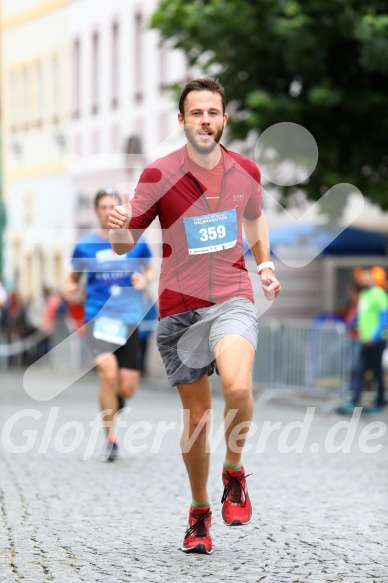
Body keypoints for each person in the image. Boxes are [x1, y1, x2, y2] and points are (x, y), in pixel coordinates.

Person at [108, 77, 281, 554]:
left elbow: (254, 214)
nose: (206, 120)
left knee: (240, 387)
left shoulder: (245, 170)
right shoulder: (158, 175)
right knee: (198, 418)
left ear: (224, 119)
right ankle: (200, 510)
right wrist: (118, 227)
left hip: (232, 297)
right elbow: (125, 247)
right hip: (180, 310)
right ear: (181, 120)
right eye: (196, 113)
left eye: (213, 112)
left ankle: (234, 471)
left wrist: (263, 264)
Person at [63, 188, 155, 461]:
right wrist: (69, 290)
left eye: (111, 207)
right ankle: (111, 440)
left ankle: (117, 402)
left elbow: (149, 268)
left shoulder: (136, 241)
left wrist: (145, 279)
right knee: (108, 373)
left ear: (119, 210)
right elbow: (72, 280)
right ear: (96, 211)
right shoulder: (85, 246)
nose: (107, 211)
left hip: (129, 319)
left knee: (126, 388)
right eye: (102, 207)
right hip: (98, 318)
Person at [337, 266, 388, 414]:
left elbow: (384, 317)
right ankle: (355, 401)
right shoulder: (365, 294)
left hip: (376, 341)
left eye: (367, 276)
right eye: (363, 276)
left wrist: (375, 335)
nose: (364, 279)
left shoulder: (379, 294)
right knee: (359, 370)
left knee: (377, 373)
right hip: (364, 340)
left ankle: (379, 402)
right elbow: (362, 314)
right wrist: (353, 324)